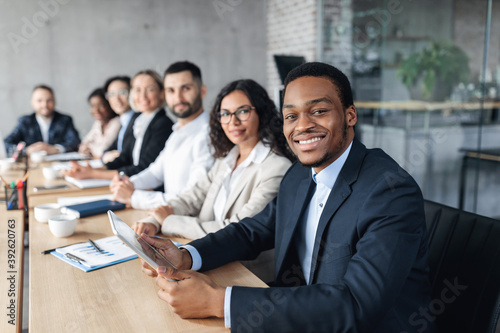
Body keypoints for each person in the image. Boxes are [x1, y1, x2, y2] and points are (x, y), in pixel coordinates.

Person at [137, 62, 432, 332]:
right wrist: (187, 255)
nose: (302, 125)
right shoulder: (300, 175)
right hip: (299, 315)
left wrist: (220, 303)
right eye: (291, 115)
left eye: (318, 111)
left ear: (350, 115)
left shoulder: (390, 192)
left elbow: (355, 305)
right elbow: (253, 231)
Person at [132, 79, 293, 282]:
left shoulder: (276, 167)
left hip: (247, 273)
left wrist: (168, 221)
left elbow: (237, 229)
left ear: (261, 112)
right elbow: (191, 198)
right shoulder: (226, 158)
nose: (233, 122)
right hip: (209, 260)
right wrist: (153, 221)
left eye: (243, 111)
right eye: (225, 114)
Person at [110, 61, 214, 209]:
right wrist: (128, 183)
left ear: (202, 91)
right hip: (168, 219)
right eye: (171, 90)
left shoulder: (208, 134)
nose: (178, 97)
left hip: (187, 224)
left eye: (186, 88)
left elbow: (191, 199)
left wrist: (133, 196)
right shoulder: (177, 131)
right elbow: (156, 172)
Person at [63, 70, 173, 179]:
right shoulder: (140, 121)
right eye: (138, 90)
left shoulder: (163, 124)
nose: (143, 96)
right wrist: (93, 170)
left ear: (162, 93)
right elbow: (125, 157)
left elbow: (145, 168)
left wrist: (94, 174)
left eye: (150, 89)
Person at [4, 84, 80, 155]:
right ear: (32, 103)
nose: (44, 105)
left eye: (48, 100)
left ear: (54, 102)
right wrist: (26, 150)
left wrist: (56, 149)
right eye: (39, 101)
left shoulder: (65, 120)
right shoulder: (25, 121)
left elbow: (75, 142)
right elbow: (7, 143)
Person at [101, 75, 139, 164]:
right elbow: (108, 151)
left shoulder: (138, 121)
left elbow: (126, 157)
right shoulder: (124, 121)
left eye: (122, 93)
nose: (117, 99)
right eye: (111, 94)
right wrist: (104, 156)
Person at [78, 88, 121, 158]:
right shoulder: (98, 123)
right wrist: (88, 147)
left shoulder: (117, 122)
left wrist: (89, 148)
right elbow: (84, 143)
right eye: (92, 106)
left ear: (110, 104)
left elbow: (104, 149)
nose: (96, 110)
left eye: (101, 106)